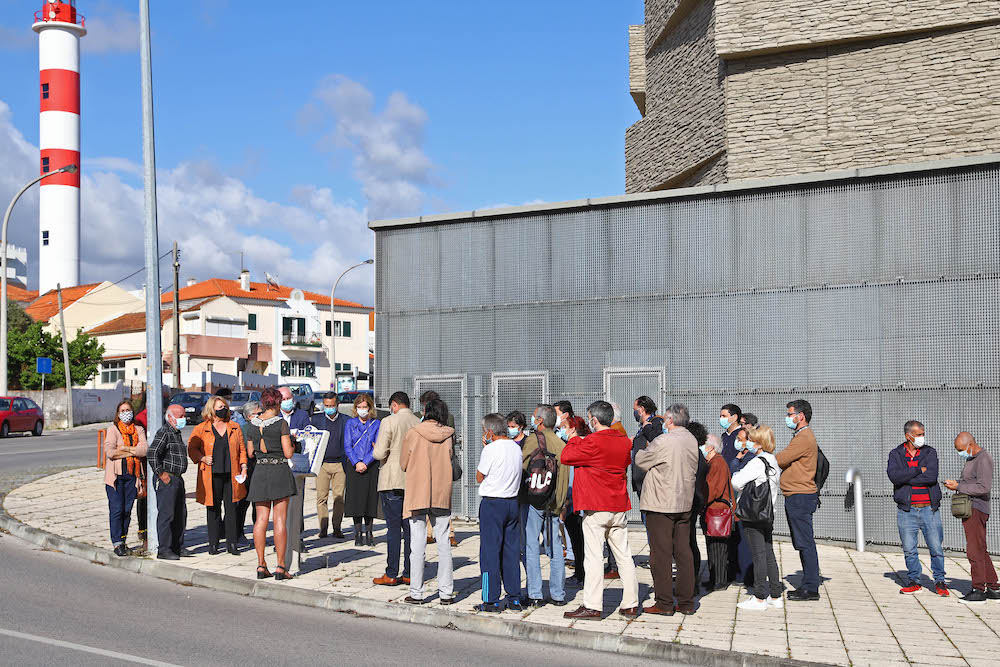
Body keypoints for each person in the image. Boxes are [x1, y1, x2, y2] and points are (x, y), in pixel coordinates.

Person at [560, 401, 639, 619]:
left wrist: (574, 438)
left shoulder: (593, 441)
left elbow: (567, 456)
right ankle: (630, 603)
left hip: (596, 505)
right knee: (624, 556)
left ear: (594, 420)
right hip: (618, 504)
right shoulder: (623, 441)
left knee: (593, 557)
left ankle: (592, 605)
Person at [636, 403, 698, 616]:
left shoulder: (663, 441)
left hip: (661, 502)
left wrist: (642, 447)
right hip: (684, 501)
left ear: (670, 420)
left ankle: (664, 602)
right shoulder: (691, 440)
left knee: (660, 555)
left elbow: (641, 461)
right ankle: (686, 602)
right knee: (683, 552)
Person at [401, 399, 457, 605]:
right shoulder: (449, 434)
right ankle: (446, 593)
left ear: (425, 412)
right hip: (441, 492)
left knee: (417, 545)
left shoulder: (414, 432)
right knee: (443, 544)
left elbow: (403, 463)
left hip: (418, 492)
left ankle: (417, 592)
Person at [886, 420, 948, 596]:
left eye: (922, 434)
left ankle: (940, 581)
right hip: (907, 510)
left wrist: (908, 476)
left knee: (936, 547)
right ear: (908, 436)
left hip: (929, 508)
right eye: (918, 434)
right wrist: (917, 470)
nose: (922, 437)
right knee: (909, 548)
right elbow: (895, 477)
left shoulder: (929, 452)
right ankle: (914, 580)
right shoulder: (896, 454)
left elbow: (931, 476)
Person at [520, 404, 569, 608]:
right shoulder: (561, 444)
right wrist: (561, 503)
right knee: (555, 547)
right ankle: (558, 594)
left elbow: (521, 466)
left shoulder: (533, 440)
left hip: (534, 500)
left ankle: (535, 594)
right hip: (554, 503)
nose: (532, 420)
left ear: (539, 421)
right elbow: (565, 478)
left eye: (533, 417)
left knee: (532, 545)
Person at [248, 386, 298, 580]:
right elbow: (288, 453)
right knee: (279, 520)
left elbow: (251, 453)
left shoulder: (252, 423)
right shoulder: (280, 423)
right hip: (278, 469)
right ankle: (281, 566)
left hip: (260, 470)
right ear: (277, 403)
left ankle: (261, 564)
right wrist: (292, 441)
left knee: (260, 520)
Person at [188, 396, 248, 555]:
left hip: (231, 474)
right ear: (211, 410)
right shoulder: (201, 428)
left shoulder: (234, 427)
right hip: (211, 474)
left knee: (231, 509)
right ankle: (213, 544)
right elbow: (192, 449)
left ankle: (232, 543)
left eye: (225, 406)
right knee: (213, 509)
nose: (224, 409)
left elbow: (242, 449)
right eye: (220, 406)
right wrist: (202, 458)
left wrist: (244, 467)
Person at [732, 425, 783, 610]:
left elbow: (736, 482)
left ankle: (760, 596)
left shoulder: (756, 462)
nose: (749, 443)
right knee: (768, 553)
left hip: (753, 514)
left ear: (759, 443)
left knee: (758, 555)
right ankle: (775, 594)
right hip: (768, 514)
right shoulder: (773, 461)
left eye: (752, 440)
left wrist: (737, 473)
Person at [373, 391, 421, 586]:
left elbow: (379, 453)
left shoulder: (389, 421)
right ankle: (410, 572)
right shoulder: (418, 422)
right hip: (412, 480)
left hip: (392, 479)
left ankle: (391, 572)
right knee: (410, 529)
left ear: (394, 404)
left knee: (393, 529)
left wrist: (376, 447)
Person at [945, 432, 998, 604]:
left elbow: (983, 487)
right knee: (980, 547)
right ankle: (993, 587)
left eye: (961, 449)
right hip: (970, 508)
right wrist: (958, 485)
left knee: (974, 549)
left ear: (970, 445)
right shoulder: (971, 459)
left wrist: (959, 486)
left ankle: (978, 590)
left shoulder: (983, 458)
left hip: (977, 509)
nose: (960, 453)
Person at [777, 399, 820, 601]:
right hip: (796, 494)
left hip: (800, 496)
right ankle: (808, 583)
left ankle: (811, 587)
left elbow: (781, 459)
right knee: (802, 542)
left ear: (800, 416)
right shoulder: (800, 436)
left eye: (790, 414)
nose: (788, 418)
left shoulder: (803, 438)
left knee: (805, 542)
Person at [103, 400, 148, 556]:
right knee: (117, 510)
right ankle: (117, 543)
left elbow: (144, 450)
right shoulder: (113, 430)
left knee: (127, 510)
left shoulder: (139, 429)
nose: (126, 413)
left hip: (132, 476)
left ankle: (123, 539)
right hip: (116, 478)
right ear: (118, 413)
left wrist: (125, 449)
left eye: (128, 410)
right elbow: (110, 452)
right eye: (122, 410)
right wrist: (133, 451)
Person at [417, 390, 458, 548]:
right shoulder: (418, 418)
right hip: (426, 463)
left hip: (443, 463)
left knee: (444, 500)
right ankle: (428, 532)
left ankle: (450, 532)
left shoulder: (449, 418)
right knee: (427, 498)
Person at [148, 404, 189, 560]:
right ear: (170, 417)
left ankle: (177, 546)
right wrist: (161, 473)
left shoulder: (176, 433)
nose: (183, 419)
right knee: (167, 514)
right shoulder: (164, 432)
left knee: (180, 514)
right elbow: (152, 453)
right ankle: (164, 549)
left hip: (178, 478)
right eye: (180, 416)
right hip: (168, 478)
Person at [554, 399, 588, 584]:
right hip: (578, 502)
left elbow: (573, 478)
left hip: (575, 503)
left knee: (578, 541)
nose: (562, 431)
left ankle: (581, 573)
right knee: (579, 541)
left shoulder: (575, 447)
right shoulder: (584, 444)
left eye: (565, 428)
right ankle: (581, 572)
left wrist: (567, 502)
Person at [344, 393, 380, 546]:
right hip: (354, 465)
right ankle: (357, 533)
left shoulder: (376, 424)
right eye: (359, 407)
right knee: (355, 500)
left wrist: (365, 462)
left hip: (370, 465)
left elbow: (377, 445)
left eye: (364, 407)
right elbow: (347, 445)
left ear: (370, 408)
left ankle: (369, 532)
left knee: (370, 499)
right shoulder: (350, 424)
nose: (362, 410)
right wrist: (356, 462)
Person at [312, 393, 348, 540]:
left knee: (339, 498)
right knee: (321, 497)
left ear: (337, 404)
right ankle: (323, 528)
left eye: (331, 406)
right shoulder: (316, 420)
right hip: (322, 465)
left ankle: (337, 527)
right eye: (326, 406)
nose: (329, 408)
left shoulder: (346, 421)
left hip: (340, 464)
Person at [702, 433, 734, 592]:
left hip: (717, 511)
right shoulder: (714, 462)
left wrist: (701, 501)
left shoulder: (717, 463)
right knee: (713, 546)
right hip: (714, 510)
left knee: (718, 547)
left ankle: (719, 580)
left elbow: (712, 489)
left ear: (710, 447)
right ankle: (714, 578)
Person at [687, 421, 710, 586]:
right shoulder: (698, 454)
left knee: (688, 542)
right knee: (690, 540)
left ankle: (691, 580)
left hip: (691, 500)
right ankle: (691, 577)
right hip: (696, 500)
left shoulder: (693, 455)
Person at [237, 400, 262, 541]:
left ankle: (258, 533)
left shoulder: (264, 427)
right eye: (255, 414)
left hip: (261, 468)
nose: (259, 416)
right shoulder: (243, 430)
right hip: (248, 467)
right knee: (243, 502)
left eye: (260, 413)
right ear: (248, 416)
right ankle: (239, 532)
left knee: (258, 504)